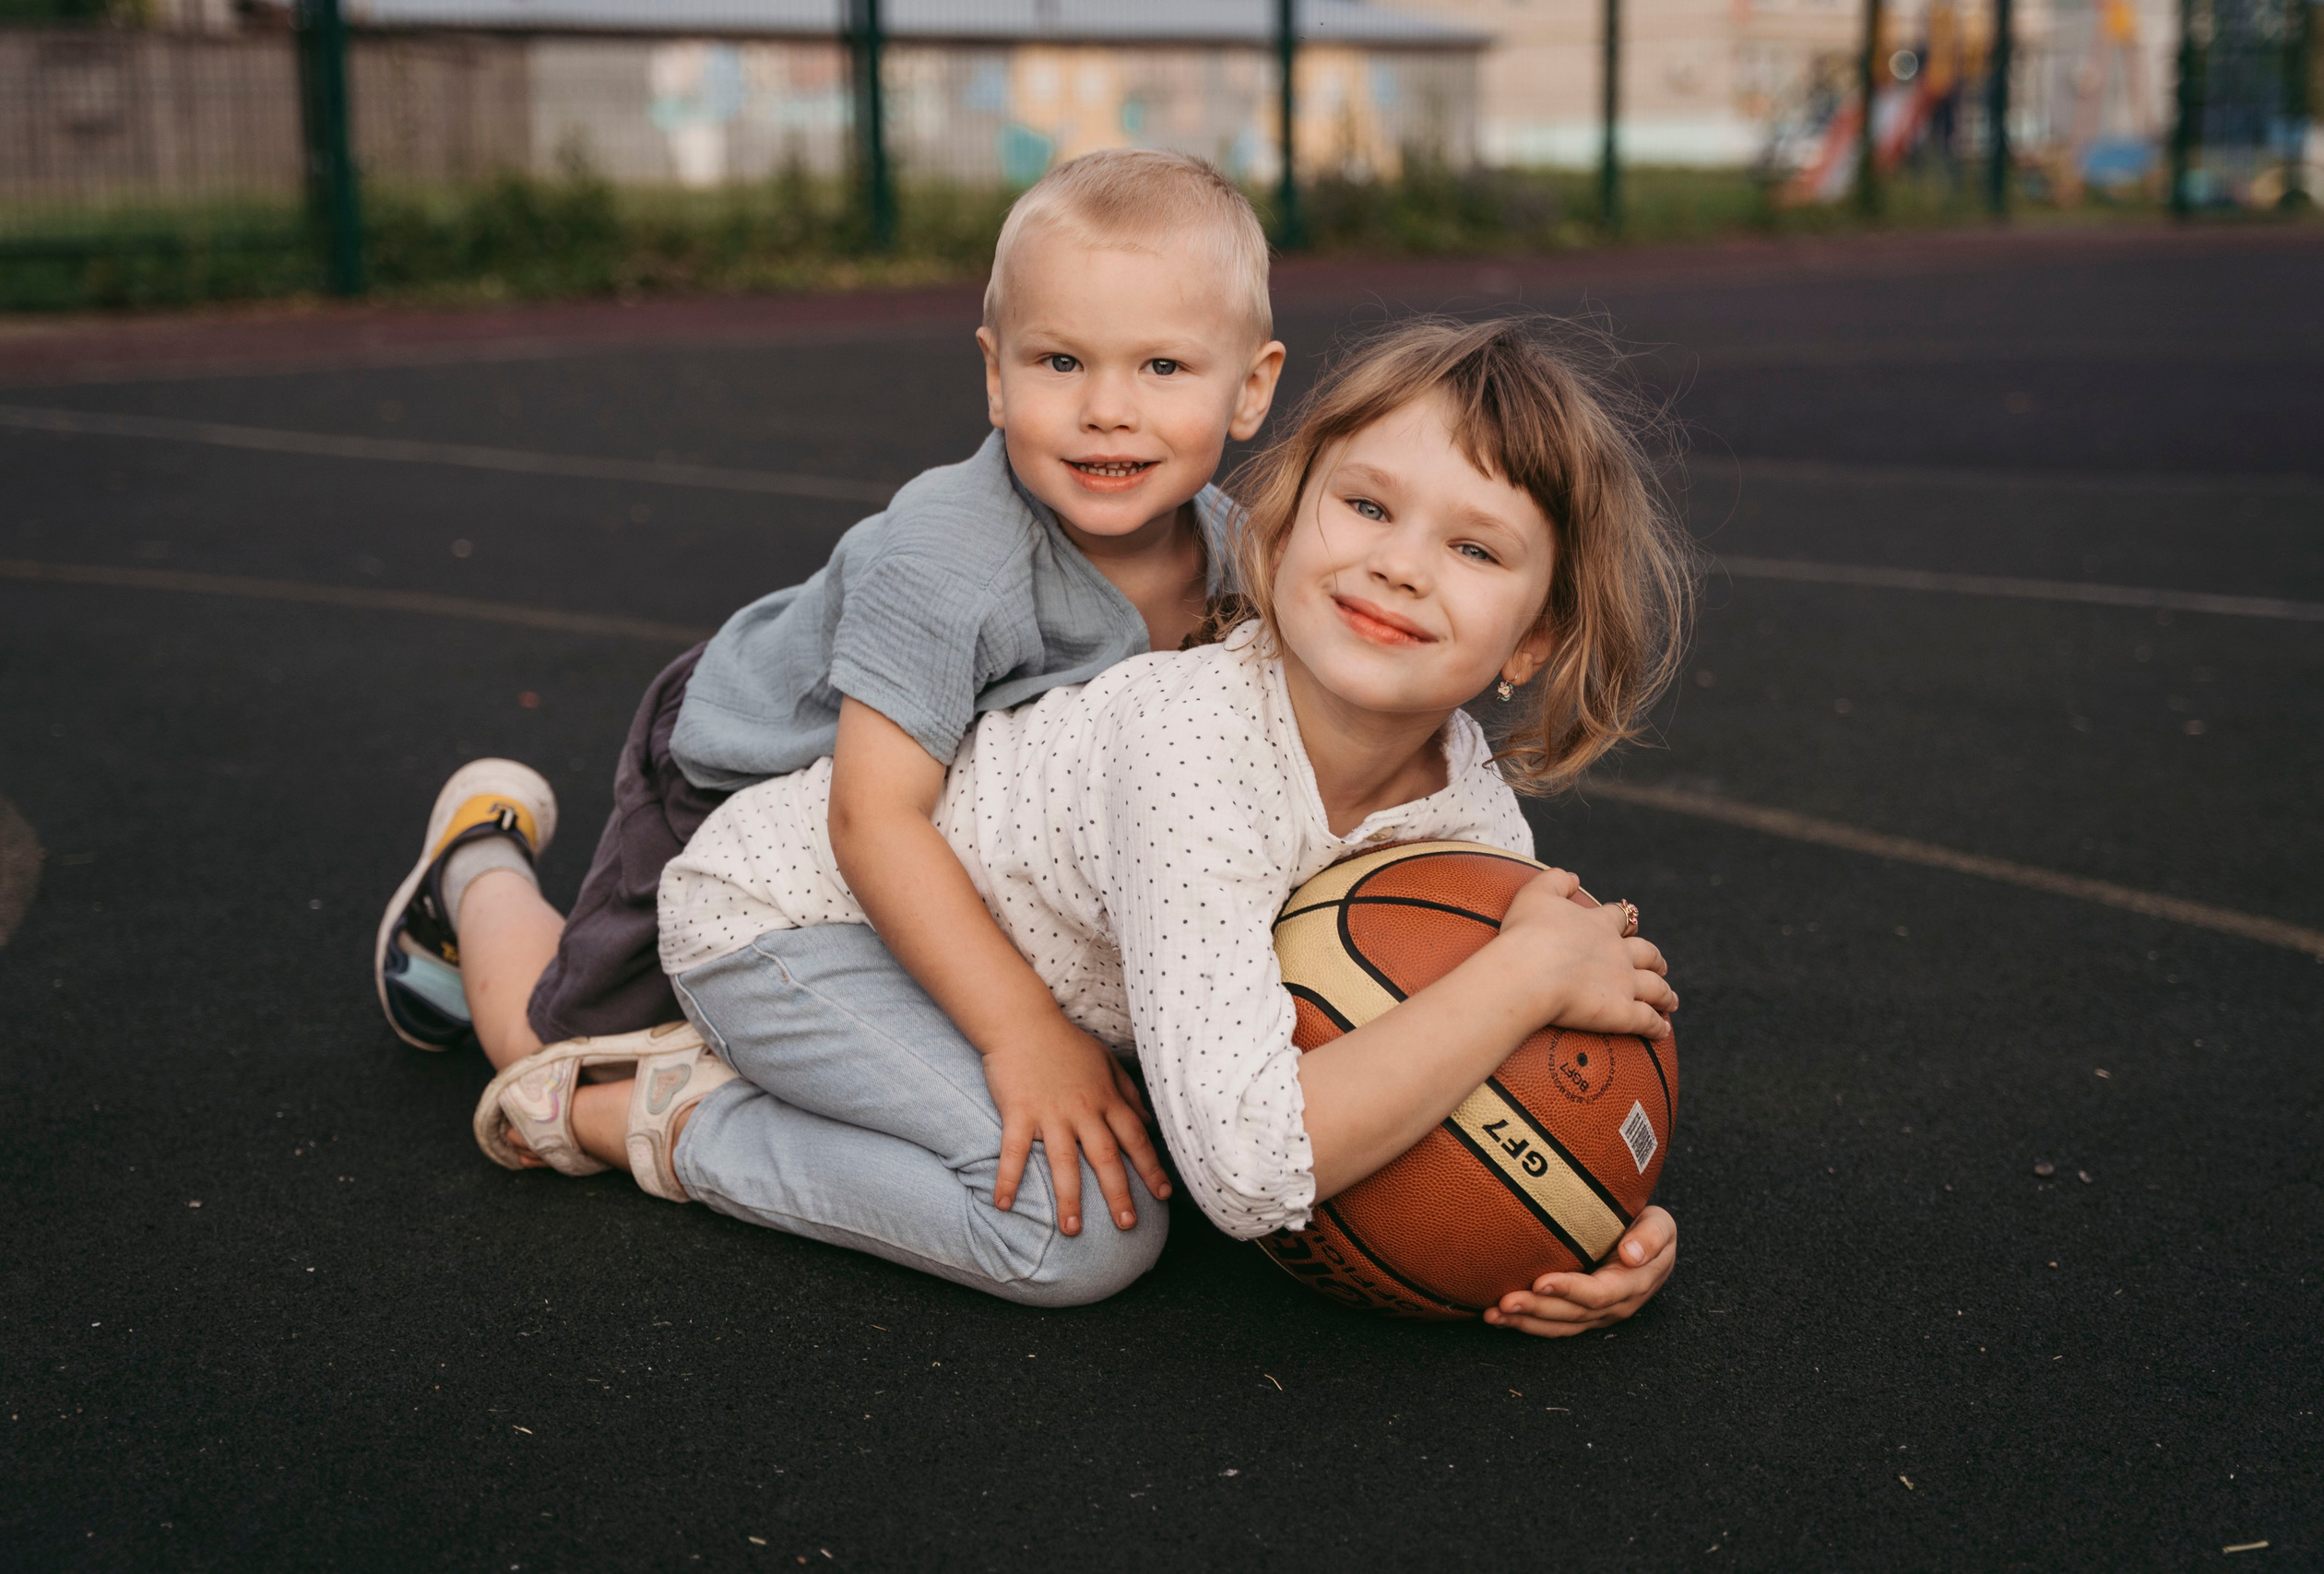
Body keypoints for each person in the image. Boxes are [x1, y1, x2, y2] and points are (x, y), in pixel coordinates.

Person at [485, 317, 1694, 1337]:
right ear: (1279, 522)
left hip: (994, 965)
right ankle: (654, 1105)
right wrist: (1533, 968)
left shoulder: (1465, 805)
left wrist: (1593, 1207)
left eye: (1476, 546)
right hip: (798, 920)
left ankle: (484, 873)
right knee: (1082, 1233)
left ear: (1535, 639)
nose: (1399, 565)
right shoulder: (1195, 749)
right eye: (1367, 505)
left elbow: (1521, 1038)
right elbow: (1247, 1165)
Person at [372, 148, 1286, 1231]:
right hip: (742, 782)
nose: (1106, 410)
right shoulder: (955, 558)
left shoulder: (1244, 561)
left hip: (917, 825)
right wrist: (1022, 1032)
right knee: (547, 1050)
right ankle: (474, 869)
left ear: (1252, 388)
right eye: (1059, 362)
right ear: (994, 375)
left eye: (1163, 370)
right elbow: (871, 820)